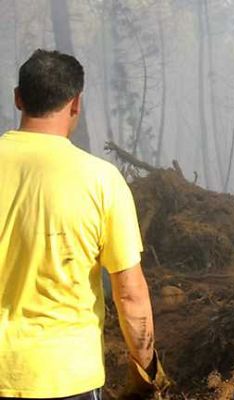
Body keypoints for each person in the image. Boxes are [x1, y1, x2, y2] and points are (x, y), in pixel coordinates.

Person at [0, 49, 168, 399]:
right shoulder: (101, 181)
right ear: (76, 104)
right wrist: (147, 368)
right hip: (66, 376)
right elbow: (129, 293)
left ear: (18, 98)